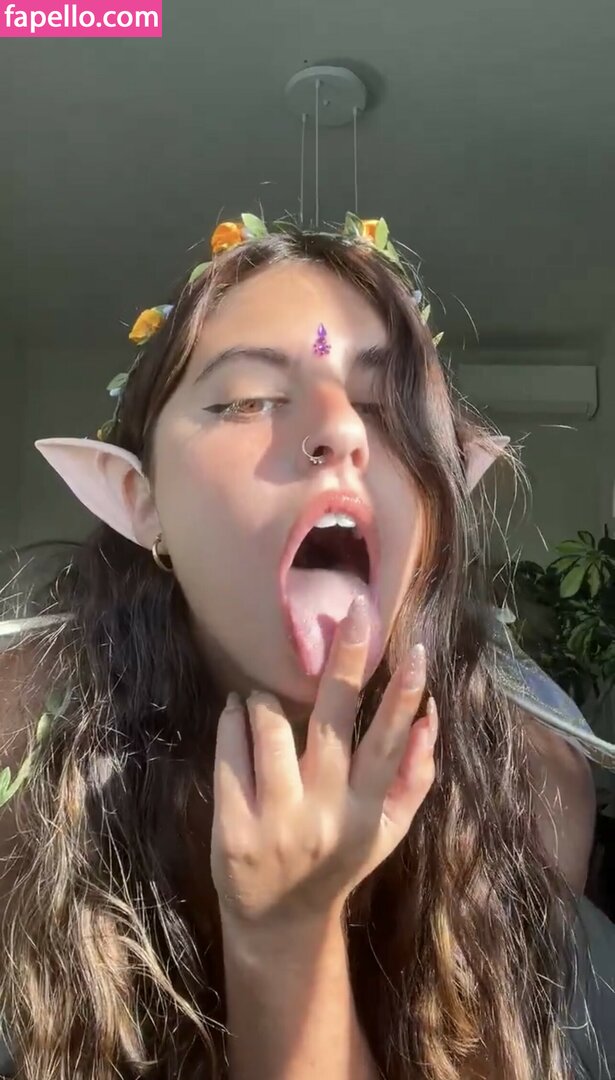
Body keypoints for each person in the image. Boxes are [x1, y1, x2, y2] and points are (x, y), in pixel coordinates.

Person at [0, 212, 613, 1080]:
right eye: (246, 399)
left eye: (387, 404)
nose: (342, 430)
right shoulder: (21, 742)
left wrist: (286, 933)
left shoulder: (533, 784)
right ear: (135, 498)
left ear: (444, 501)